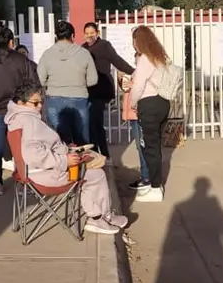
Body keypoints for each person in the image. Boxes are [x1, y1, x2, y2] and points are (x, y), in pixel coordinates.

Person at [5, 83, 128, 235]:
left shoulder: (16, 119)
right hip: (46, 174)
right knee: (97, 175)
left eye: (41, 102)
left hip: (33, 172)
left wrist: (65, 151)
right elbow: (33, 154)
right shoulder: (30, 122)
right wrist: (64, 160)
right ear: (21, 103)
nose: (40, 106)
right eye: (35, 103)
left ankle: (102, 215)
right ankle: (98, 218)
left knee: (91, 164)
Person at [0, 27, 39, 196]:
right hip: (18, 108)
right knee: (21, 145)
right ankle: (22, 183)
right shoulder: (21, 60)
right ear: (12, 42)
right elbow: (33, 82)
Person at [129, 26, 172, 203]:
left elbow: (138, 86)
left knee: (150, 148)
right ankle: (155, 183)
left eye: (133, 40)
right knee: (155, 146)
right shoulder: (159, 58)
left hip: (149, 105)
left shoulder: (145, 59)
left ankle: (155, 187)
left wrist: (133, 103)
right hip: (162, 103)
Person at [37, 21, 98, 144]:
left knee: (59, 142)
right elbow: (93, 80)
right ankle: (82, 162)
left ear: (56, 37)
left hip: (54, 99)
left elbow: (41, 79)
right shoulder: (84, 54)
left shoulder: (47, 54)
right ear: (72, 36)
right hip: (79, 99)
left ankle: (63, 163)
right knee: (82, 141)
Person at [83, 22, 134, 161]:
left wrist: (134, 72)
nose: (89, 36)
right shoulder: (82, 49)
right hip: (87, 92)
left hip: (101, 90)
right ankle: (95, 155)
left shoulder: (104, 46)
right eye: (87, 33)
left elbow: (117, 61)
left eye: (92, 33)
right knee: (90, 124)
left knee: (96, 123)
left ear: (97, 33)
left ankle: (104, 155)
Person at [120, 65, 150, 190]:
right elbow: (125, 89)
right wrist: (121, 81)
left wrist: (131, 84)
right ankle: (146, 175)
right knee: (140, 146)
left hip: (139, 113)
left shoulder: (145, 71)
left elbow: (143, 88)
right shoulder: (135, 72)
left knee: (143, 145)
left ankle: (147, 177)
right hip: (133, 113)